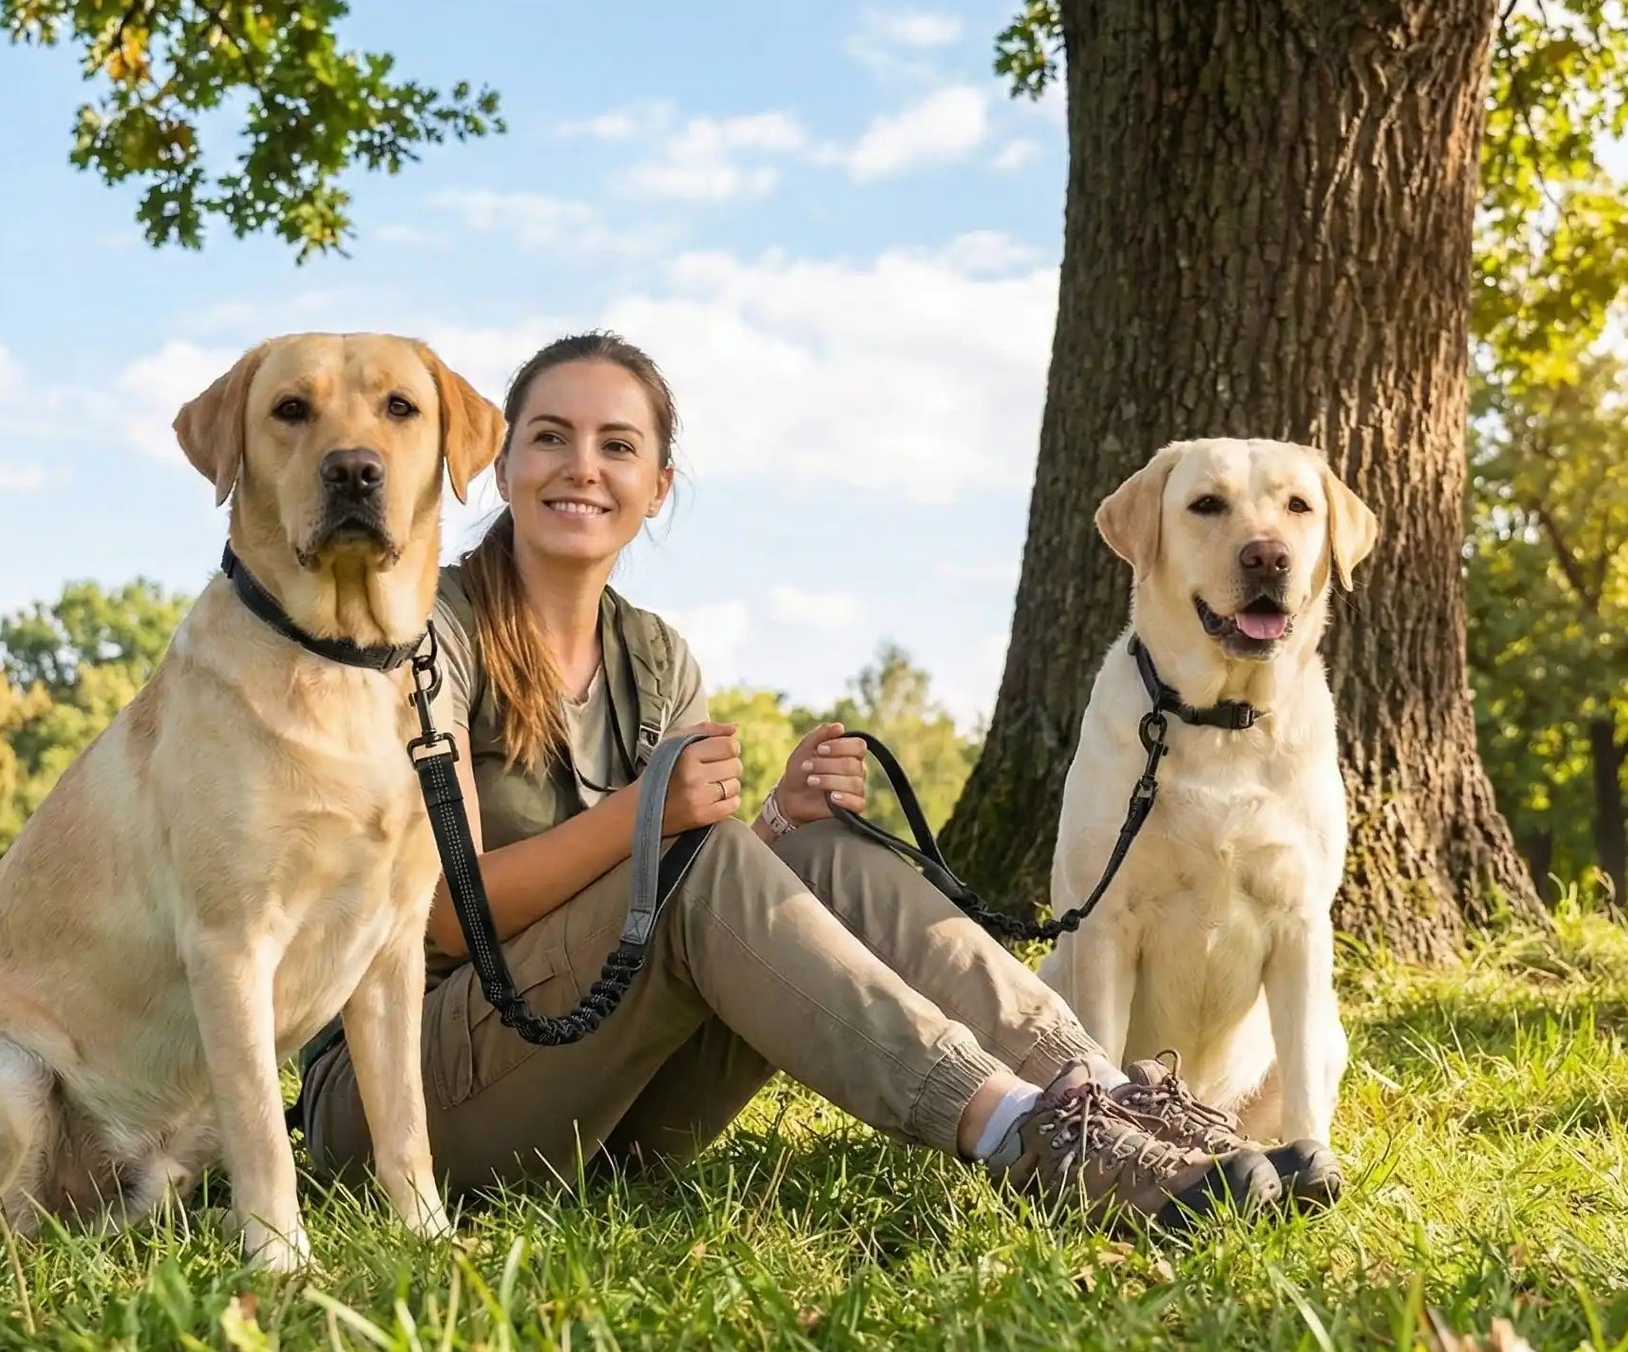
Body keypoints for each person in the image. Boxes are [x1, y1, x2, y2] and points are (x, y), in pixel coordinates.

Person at [299, 332, 1290, 1229]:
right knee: (703, 853)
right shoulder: (427, 633)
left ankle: (1117, 1105)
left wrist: (779, 824)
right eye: (550, 436)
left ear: (657, 483)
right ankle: (1023, 1133)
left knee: (818, 845)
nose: (582, 466)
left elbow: (676, 909)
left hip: (608, 1105)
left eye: (617, 444)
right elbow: (442, 914)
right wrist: (650, 816)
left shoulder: (651, 654)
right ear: (501, 464)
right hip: (414, 1093)